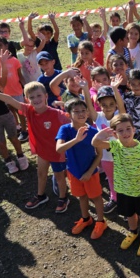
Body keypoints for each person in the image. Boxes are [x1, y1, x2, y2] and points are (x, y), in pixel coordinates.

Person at [0, 81, 70, 212]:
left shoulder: (57, 114)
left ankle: (63, 198)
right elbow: (8, 99)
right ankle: (41, 196)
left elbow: (74, 120)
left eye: (39, 95)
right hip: (42, 150)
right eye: (32, 97)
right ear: (27, 99)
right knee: (41, 174)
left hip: (57, 151)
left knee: (59, 176)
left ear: (46, 95)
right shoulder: (28, 110)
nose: (36, 99)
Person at [92, 114, 140, 256]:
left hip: (139, 191)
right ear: (114, 133)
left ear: (134, 129)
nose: (125, 133)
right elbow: (95, 143)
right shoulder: (115, 145)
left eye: (128, 129)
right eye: (120, 131)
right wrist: (101, 134)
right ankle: (133, 232)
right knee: (129, 214)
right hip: (122, 190)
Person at [56, 99, 107, 239]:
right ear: (68, 115)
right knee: (81, 196)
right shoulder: (65, 130)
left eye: (83, 111)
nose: (81, 114)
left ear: (88, 113)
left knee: (96, 197)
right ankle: (86, 219)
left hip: (91, 173)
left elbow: (99, 154)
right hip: (74, 172)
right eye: (76, 111)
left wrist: (90, 171)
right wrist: (76, 140)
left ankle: (101, 221)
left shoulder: (93, 131)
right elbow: (59, 149)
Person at [82, 83, 125, 214]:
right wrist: (84, 89)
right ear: (100, 105)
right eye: (104, 105)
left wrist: (114, 89)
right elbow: (89, 105)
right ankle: (114, 198)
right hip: (106, 157)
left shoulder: (119, 116)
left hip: (121, 155)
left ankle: (125, 202)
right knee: (111, 179)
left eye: (111, 104)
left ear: (116, 104)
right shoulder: (98, 117)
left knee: (123, 178)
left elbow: (121, 105)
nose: (108, 107)